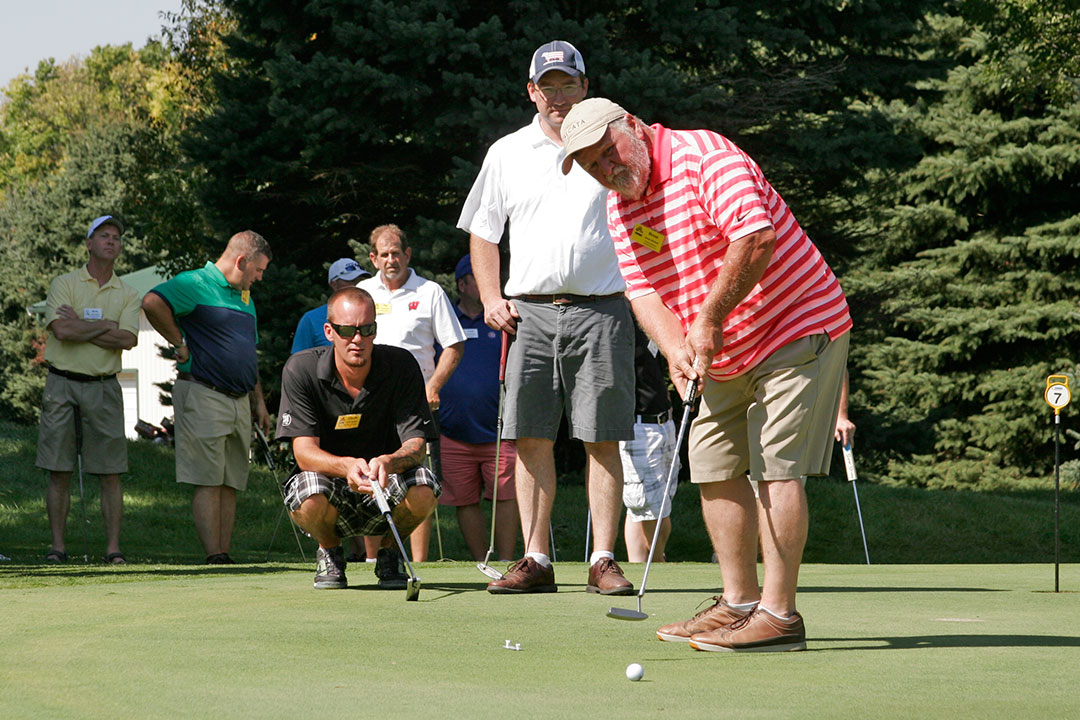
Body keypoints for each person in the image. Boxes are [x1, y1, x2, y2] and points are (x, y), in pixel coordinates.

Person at [561, 98, 852, 651]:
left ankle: (780, 615)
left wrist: (709, 320)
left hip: (796, 324)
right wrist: (675, 349)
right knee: (714, 463)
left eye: (608, 153)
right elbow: (642, 290)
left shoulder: (706, 159)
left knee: (775, 466)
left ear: (636, 129)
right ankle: (738, 605)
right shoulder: (620, 207)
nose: (607, 170)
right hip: (720, 348)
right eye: (592, 166)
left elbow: (755, 240)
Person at [458, 41, 636, 595]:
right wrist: (490, 297)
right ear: (531, 91)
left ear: (585, 86)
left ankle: (602, 559)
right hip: (529, 313)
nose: (558, 96)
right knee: (530, 437)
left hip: (603, 308)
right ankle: (536, 558)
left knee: (602, 438)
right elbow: (483, 232)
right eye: (547, 86)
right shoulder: (507, 152)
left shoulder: (615, 146)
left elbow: (646, 219)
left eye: (567, 84)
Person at [275, 286, 440, 589]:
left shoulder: (401, 366)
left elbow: (417, 445)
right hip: (328, 486)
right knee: (308, 492)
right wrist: (348, 466)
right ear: (329, 331)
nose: (358, 339)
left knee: (425, 486)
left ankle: (390, 555)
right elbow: (303, 453)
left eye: (367, 329)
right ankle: (330, 551)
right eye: (348, 330)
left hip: (386, 482)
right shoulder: (301, 369)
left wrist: (389, 462)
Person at [142, 231, 272, 564]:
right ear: (241, 261)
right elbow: (152, 302)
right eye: (258, 270)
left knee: (231, 480)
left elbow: (247, 353)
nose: (260, 278)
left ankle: (223, 554)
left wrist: (259, 401)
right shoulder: (194, 282)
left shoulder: (246, 297)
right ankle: (213, 555)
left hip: (240, 399)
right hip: (203, 392)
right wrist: (179, 343)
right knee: (208, 478)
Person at [357, 224, 466, 562]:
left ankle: (415, 561)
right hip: (370, 401)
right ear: (373, 258)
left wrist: (433, 386)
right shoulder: (363, 291)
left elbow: (454, 344)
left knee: (416, 481)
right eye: (383, 254)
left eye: (396, 253)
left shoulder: (430, 291)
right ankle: (374, 560)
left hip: (414, 405)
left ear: (408, 255)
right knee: (373, 478)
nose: (391, 260)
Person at [36, 215, 140, 564]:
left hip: (103, 386)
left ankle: (113, 549)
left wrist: (80, 323)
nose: (112, 241)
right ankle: (57, 547)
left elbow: (127, 339)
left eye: (116, 237)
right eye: (104, 236)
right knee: (58, 468)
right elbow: (61, 332)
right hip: (61, 383)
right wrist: (103, 326)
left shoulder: (128, 292)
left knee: (110, 471)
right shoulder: (64, 283)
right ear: (89, 244)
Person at [436, 255, 519, 561]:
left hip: (501, 430)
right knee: (464, 499)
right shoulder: (446, 320)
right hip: (454, 431)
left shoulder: (506, 318)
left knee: (506, 497)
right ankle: (478, 559)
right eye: (479, 277)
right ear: (463, 283)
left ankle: (506, 561)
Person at [621, 322, 677, 564]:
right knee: (648, 506)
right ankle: (655, 562)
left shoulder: (649, 322)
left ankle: (639, 564)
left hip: (663, 423)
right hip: (637, 425)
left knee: (648, 505)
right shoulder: (620, 323)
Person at [290, 258, 371, 354]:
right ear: (334, 284)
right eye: (350, 280)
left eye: (359, 280)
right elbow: (299, 361)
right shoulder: (311, 319)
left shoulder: (370, 315)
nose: (356, 285)